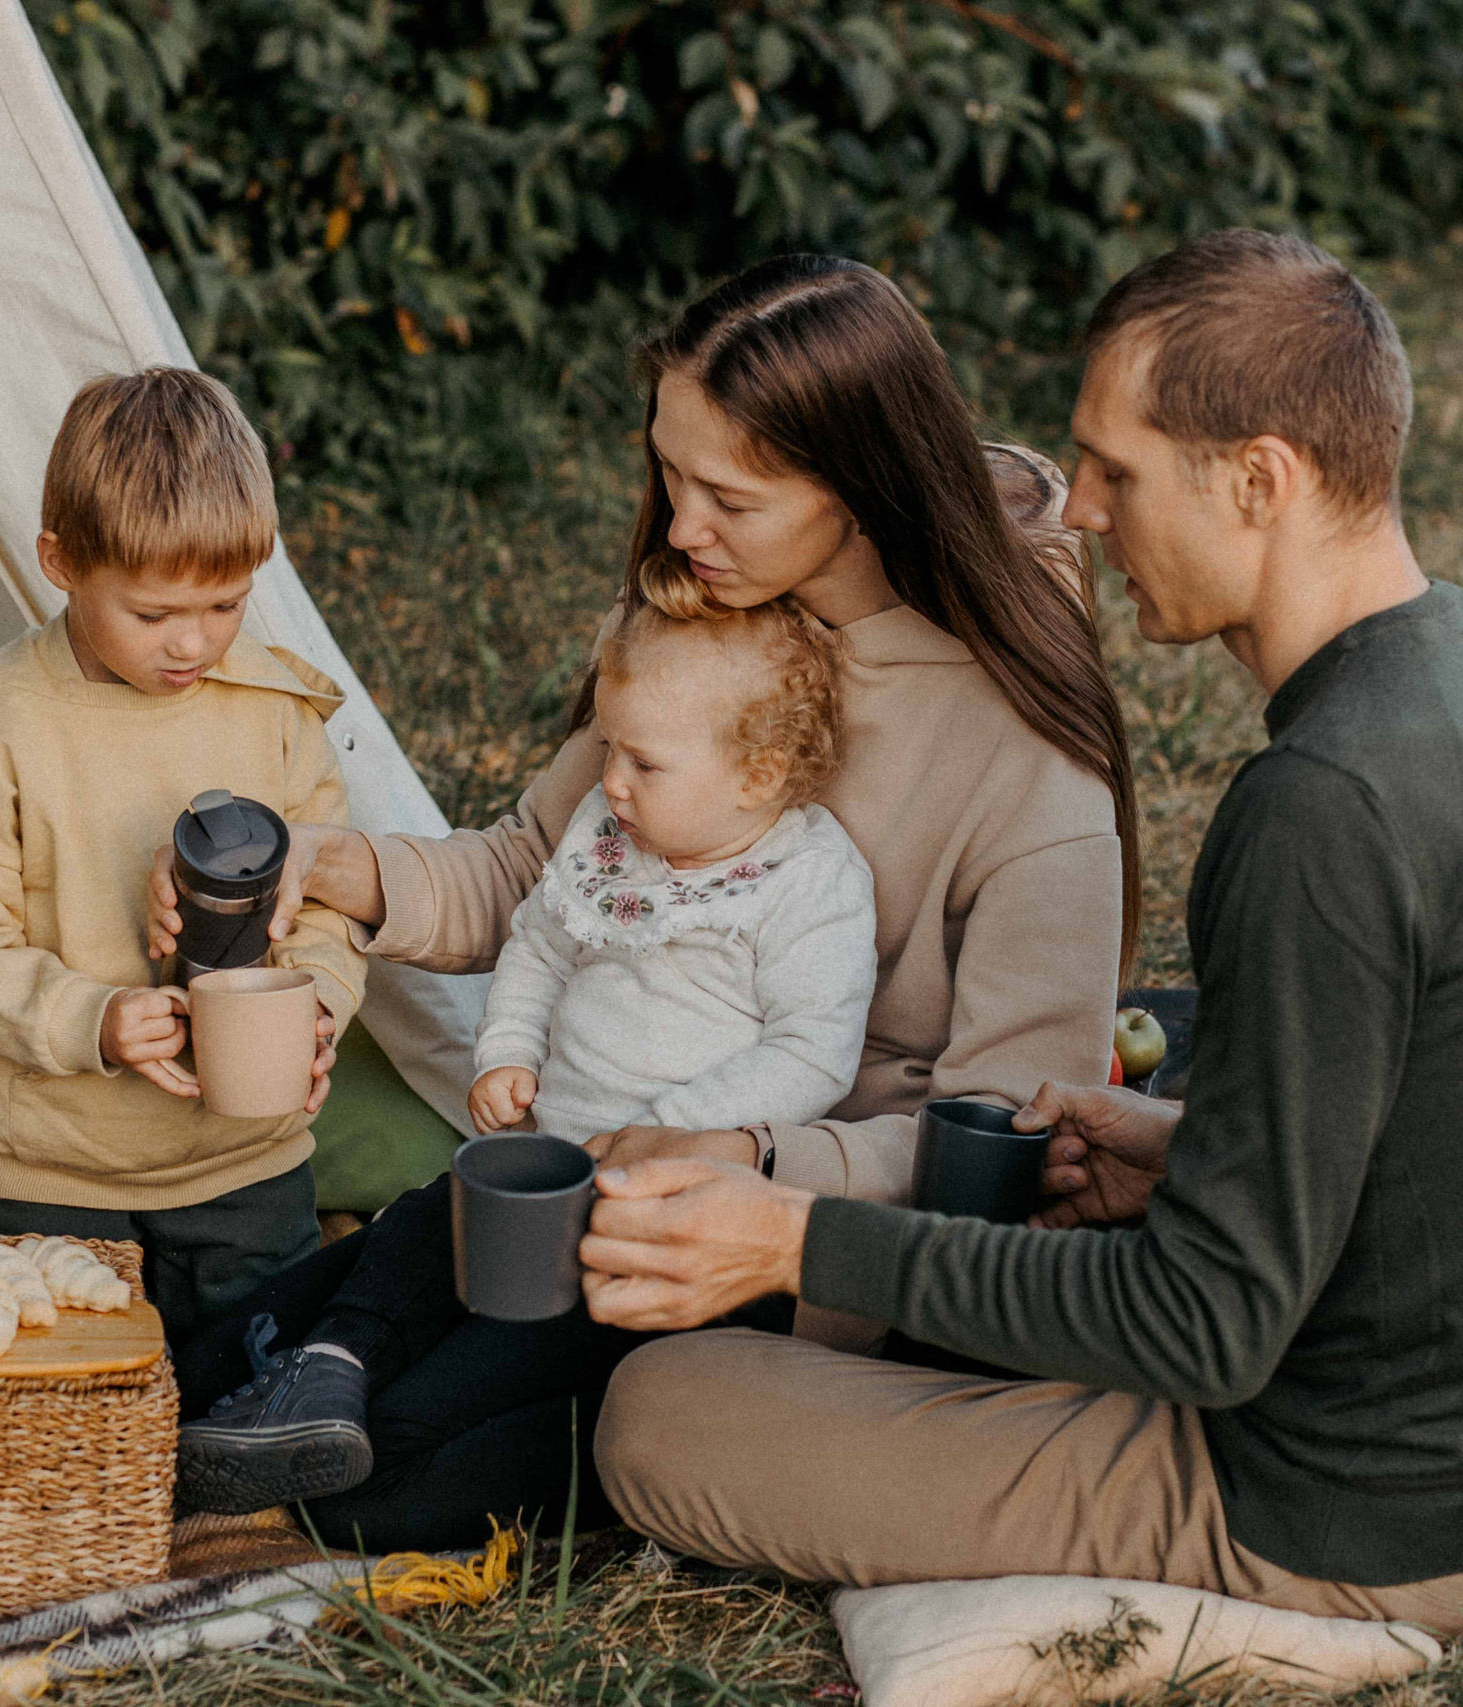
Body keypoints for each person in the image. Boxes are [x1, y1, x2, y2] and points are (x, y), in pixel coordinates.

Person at [579, 231, 1463, 1636]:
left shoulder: (1323, 808)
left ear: (1260, 477)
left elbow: (1204, 1328)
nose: (1085, 518)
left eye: (1117, 473)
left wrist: (795, 1237)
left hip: (1348, 1497)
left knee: (663, 1415)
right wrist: (1197, 1147)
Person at [145, 253, 1140, 1550]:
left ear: (862, 482)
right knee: (197, 1362)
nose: (679, 526)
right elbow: (525, 871)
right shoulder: (707, 626)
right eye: (671, 474)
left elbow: (1005, 1150)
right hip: (603, 1161)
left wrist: (750, 1162)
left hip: (804, 1253)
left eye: (729, 494)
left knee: (385, 1473)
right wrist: (333, 864)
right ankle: (302, 1369)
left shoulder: (1023, 765)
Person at [170, 595, 879, 1514]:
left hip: (649, 1225)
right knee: (410, 1239)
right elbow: (541, 943)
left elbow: (812, 1053)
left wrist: (664, 1135)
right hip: (536, 1175)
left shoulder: (809, 885)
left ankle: (348, 1440)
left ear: (761, 773)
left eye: (643, 762)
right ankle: (283, 1376)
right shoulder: (610, 833)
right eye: (610, 749)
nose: (610, 780)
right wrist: (506, 1050)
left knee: (405, 1443)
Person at [0, 367, 355, 1346]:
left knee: (258, 1390)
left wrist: (317, 1003)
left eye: (225, 605)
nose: (193, 642)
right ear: (59, 561)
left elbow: (331, 903)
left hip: (248, 1168)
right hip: (54, 1176)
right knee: (70, 1411)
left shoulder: (273, 713)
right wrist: (88, 1020)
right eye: (152, 613)